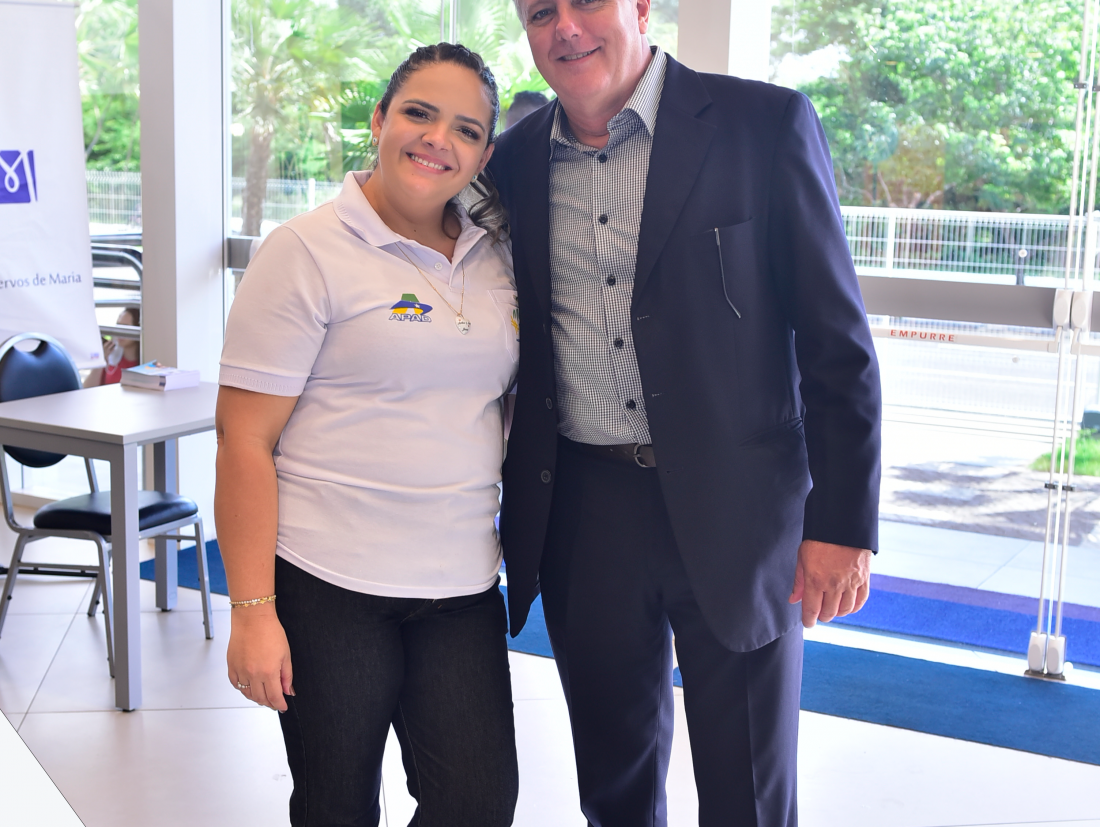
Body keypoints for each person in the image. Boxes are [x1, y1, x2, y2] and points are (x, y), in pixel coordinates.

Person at [487, 1, 881, 824]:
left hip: (742, 516)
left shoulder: (763, 126)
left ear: (639, 7)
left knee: (749, 794)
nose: (565, 28)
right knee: (615, 785)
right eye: (540, 12)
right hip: (585, 514)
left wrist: (842, 524)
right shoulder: (515, 160)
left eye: (586, 2)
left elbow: (836, 344)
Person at [215, 44, 519, 827]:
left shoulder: (496, 255)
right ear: (380, 120)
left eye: (466, 129)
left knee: (477, 804)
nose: (438, 140)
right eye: (419, 113)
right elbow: (244, 439)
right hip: (329, 585)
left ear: (484, 154)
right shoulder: (304, 251)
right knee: (336, 807)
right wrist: (253, 611)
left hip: (461, 585)